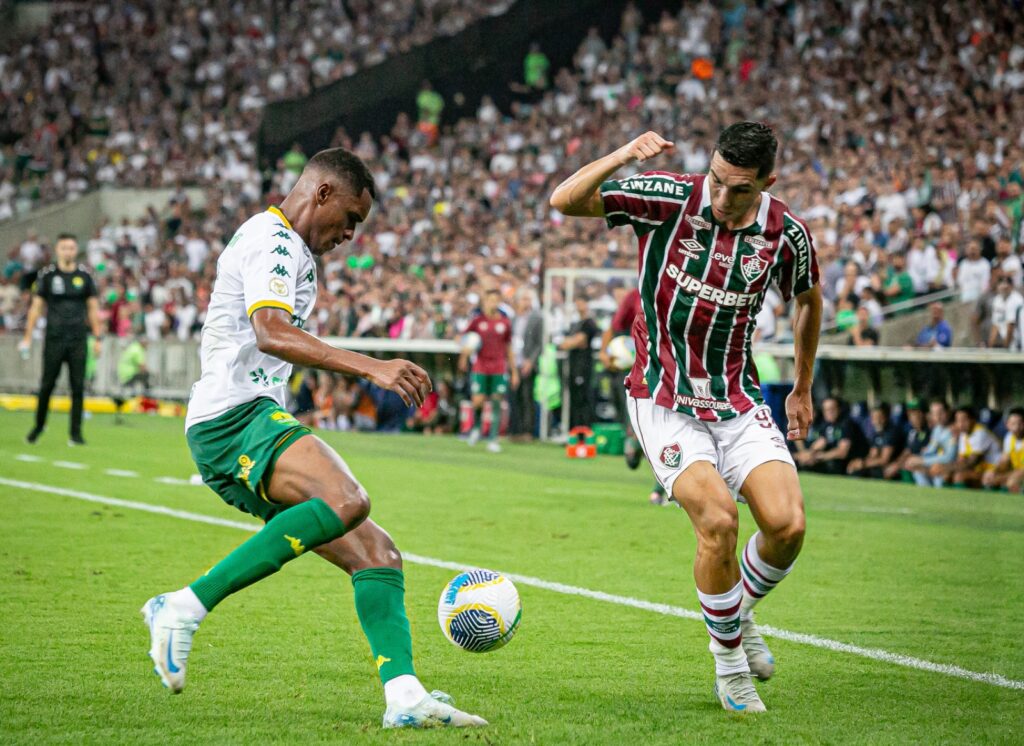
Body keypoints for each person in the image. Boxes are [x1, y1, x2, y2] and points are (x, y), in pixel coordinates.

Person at [140, 148, 486, 729]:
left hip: (242, 421)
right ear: (321, 193)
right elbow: (270, 332)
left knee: (379, 555)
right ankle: (182, 607)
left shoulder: (292, 250)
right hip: (232, 419)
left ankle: (403, 696)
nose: (350, 234)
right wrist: (370, 366)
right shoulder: (274, 240)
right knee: (346, 499)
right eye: (350, 218)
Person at [550, 123, 822, 714]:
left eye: (740, 190)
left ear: (767, 183)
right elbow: (565, 200)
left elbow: (806, 300)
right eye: (718, 181)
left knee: (788, 526)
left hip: (737, 397)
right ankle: (729, 667)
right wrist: (622, 153)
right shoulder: (669, 197)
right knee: (719, 522)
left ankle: (738, 611)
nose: (723, 199)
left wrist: (801, 386)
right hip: (662, 394)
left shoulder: (788, 235)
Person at [20, 233, 103, 445]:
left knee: (78, 387)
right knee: (46, 385)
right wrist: (27, 338)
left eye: (72, 248)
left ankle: (75, 434)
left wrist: (98, 337)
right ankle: (38, 427)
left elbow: (93, 309)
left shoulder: (85, 276)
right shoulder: (47, 275)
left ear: (76, 251)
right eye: (64, 248)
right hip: (54, 338)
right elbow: (36, 308)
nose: (68, 251)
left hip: (78, 340)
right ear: (57, 250)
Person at [460, 288, 518, 453]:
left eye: (495, 300)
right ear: (484, 302)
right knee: (477, 401)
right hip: (481, 366)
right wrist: (464, 356)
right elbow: (464, 338)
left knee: (496, 402)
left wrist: (514, 371)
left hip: (499, 367)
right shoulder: (477, 321)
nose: (492, 303)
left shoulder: (504, 323)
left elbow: (508, 347)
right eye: (489, 300)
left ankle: (493, 439)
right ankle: (477, 428)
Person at [557, 292, 599, 428]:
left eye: (581, 303)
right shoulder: (575, 323)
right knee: (574, 399)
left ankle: (584, 431)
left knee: (583, 398)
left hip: (583, 366)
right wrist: (571, 341)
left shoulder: (589, 322)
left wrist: (570, 342)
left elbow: (577, 342)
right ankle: (575, 430)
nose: (579, 306)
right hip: (573, 365)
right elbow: (567, 342)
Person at [794, 397, 862, 475]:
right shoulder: (826, 425)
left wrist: (819, 456)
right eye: (826, 410)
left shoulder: (846, 424)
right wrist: (808, 454)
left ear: (839, 409)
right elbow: (821, 442)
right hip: (831, 460)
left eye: (832, 409)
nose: (829, 412)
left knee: (832, 464)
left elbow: (842, 452)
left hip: (851, 462)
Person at [509, 288, 543, 441]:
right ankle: (515, 430)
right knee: (513, 397)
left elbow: (539, 343)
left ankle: (527, 431)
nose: (526, 303)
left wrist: (531, 361)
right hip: (514, 363)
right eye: (523, 299)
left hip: (528, 363)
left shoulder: (537, 318)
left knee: (527, 397)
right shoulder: (513, 319)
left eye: (528, 299)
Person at [905, 400, 957, 488]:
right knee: (916, 468)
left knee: (938, 472)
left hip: (951, 466)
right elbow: (931, 449)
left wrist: (922, 460)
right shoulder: (937, 429)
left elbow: (950, 457)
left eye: (941, 413)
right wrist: (918, 458)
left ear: (948, 412)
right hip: (936, 463)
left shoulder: (954, 430)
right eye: (934, 413)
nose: (938, 417)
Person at [949, 406, 1002, 488]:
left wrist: (947, 467)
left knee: (959, 476)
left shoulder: (980, 433)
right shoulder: (964, 434)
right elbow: (961, 459)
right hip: (981, 471)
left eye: (964, 420)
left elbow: (972, 462)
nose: (960, 424)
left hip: (994, 471)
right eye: (958, 420)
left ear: (973, 420)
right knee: (948, 474)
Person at [846, 404, 903, 479]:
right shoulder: (877, 433)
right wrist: (858, 462)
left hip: (894, 467)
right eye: (874, 417)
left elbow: (884, 460)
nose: (877, 420)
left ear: (887, 417)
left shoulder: (891, 432)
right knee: (856, 470)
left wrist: (863, 463)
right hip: (880, 466)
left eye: (880, 417)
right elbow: (873, 454)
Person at [884, 401, 930, 481]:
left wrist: (899, 465)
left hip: (926, 463)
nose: (912, 418)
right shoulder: (912, 432)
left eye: (915, 414)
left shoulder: (930, 431)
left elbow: (923, 453)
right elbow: (907, 451)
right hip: (913, 463)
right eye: (910, 414)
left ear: (924, 414)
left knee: (908, 465)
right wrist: (896, 463)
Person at [983, 408, 1024, 493]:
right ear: (1007, 424)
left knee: (1011, 481)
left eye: (1020, 423)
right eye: (1013, 423)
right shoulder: (1009, 438)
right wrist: (994, 471)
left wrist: (1009, 476)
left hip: (1019, 473)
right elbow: (1004, 461)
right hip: (1016, 472)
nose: (1016, 427)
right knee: (990, 479)